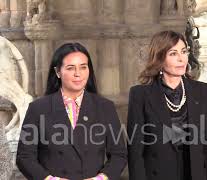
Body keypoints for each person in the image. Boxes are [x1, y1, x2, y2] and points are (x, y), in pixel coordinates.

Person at [16, 43, 127, 180]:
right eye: (70, 68)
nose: (78, 74)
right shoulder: (38, 108)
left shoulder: (105, 107)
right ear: (57, 72)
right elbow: (25, 157)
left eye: (83, 67)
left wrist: (100, 179)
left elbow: (119, 154)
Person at [127, 30, 207, 180]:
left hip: (195, 174)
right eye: (173, 53)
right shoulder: (140, 95)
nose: (181, 59)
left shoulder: (201, 90)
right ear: (159, 58)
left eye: (183, 52)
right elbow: (136, 152)